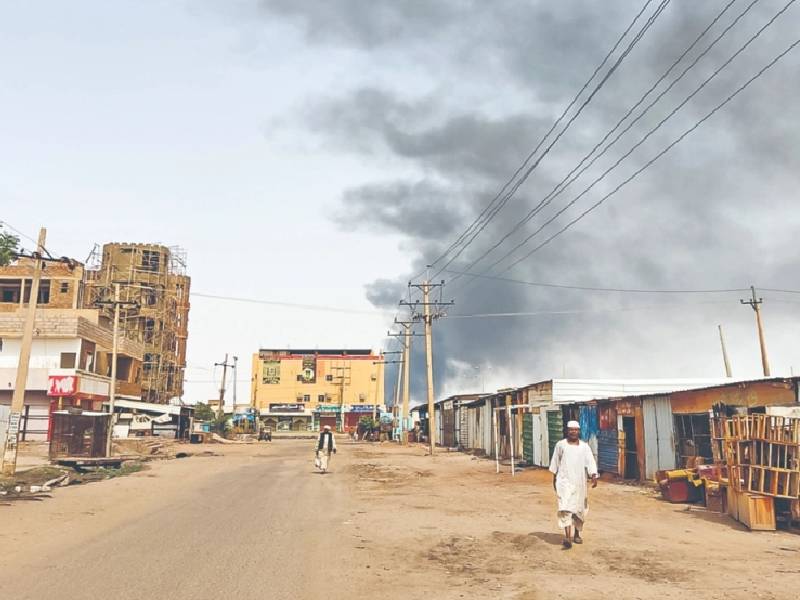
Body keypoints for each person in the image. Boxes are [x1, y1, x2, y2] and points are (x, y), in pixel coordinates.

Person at [548, 420, 598, 549]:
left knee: (579, 509)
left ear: (579, 431)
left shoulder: (584, 447)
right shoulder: (561, 445)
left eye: (575, 430)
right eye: (571, 430)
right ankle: (567, 537)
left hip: (580, 482)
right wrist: (554, 478)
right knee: (565, 507)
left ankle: (577, 534)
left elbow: (590, 462)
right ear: (567, 431)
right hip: (564, 482)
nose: (573, 432)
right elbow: (555, 462)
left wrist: (593, 475)